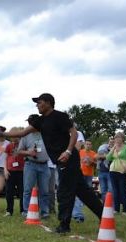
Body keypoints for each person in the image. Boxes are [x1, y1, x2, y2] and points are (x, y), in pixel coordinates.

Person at [7, 93, 103, 233]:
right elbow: (22, 133)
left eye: (39, 102)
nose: (37, 105)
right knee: (82, 190)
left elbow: (74, 133)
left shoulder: (60, 116)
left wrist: (68, 151)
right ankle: (104, 214)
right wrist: (2, 134)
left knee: (64, 191)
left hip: (68, 158)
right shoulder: (40, 121)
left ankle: (64, 225)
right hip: (60, 160)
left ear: (48, 103)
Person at [17, 115, 50, 218]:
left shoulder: (46, 133)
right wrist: (28, 152)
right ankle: (26, 211)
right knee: (27, 189)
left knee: (44, 190)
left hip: (44, 165)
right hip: (30, 164)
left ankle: (45, 212)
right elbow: (18, 151)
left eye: (31, 123)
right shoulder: (25, 135)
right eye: (29, 122)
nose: (29, 125)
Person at [107, 133, 126, 214]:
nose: (117, 139)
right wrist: (113, 148)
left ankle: (125, 210)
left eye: (119, 137)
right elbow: (108, 158)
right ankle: (116, 209)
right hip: (112, 171)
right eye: (116, 138)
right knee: (115, 191)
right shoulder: (114, 147)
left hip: (122, 171)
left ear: (123, 139)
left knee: (122, 191)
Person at [72, 139, 98, 221]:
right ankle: (78, 207)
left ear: (91, 146)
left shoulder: (94, 154)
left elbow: (96, 165)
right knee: (79, 191)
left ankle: (82, 203)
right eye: (87, 144)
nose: (88, 145)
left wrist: (92, 162)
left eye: (90, 144)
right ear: (84, 145)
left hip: (89, 175)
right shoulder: (80, 152)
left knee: (88, 191)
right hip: (81, 174)